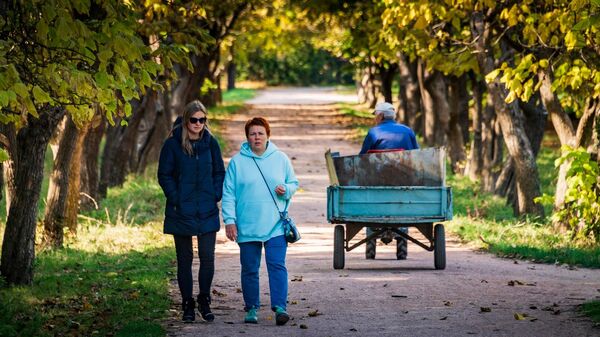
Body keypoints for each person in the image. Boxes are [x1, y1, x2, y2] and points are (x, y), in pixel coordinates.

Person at [221, 117, 299, 326]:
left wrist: (287, 189)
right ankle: (251, 308)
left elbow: (293, 183)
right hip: (247, 225)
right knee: (249, 268)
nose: (256, 137)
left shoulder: (280, 158)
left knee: (276, 265)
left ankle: (280, 307)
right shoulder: (237, 162)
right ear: (247, 137)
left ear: (268, 135)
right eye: (252, 134)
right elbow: (228, 194)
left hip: (275, 224)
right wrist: (230, 221)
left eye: (260, 133)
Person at [157, 100, 225, 323]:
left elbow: (218, 172)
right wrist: (175, 198)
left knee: (207, 258)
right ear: (186, 120)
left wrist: (215, 194)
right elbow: (164, 175)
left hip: (206, 208)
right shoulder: (173, 145)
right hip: (181, 210)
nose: (198, 124)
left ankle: (204, 300)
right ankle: (187, 303)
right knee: (184, 259)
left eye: (202, 120)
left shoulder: (211, 143)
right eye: (194, 120)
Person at [360, 102, 419, 260]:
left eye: (375, 115)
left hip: (377, 180)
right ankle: (402, 237)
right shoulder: (407, 131)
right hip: (403, 180)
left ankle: (372, 233)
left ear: (380, 116)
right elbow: (418, 156)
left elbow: (362, 158)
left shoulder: (374, 132)